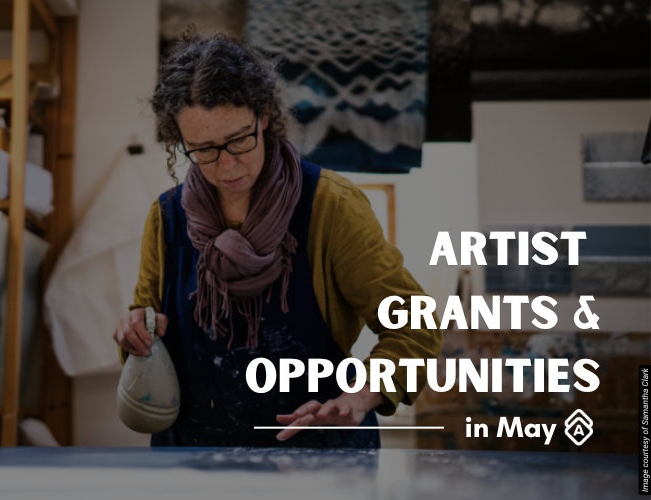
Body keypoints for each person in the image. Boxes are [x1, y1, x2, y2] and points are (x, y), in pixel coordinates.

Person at [113, 30, 441, 448]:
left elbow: (416, 324)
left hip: (317, 458)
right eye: (204, 149)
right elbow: (144, 334)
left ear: (264, 115)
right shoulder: (165, 219)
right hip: (193, 461)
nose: (227, 164)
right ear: (181, 142)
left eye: (239, 139)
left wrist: (361, 395)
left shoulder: (331, 207)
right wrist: (136, 335)